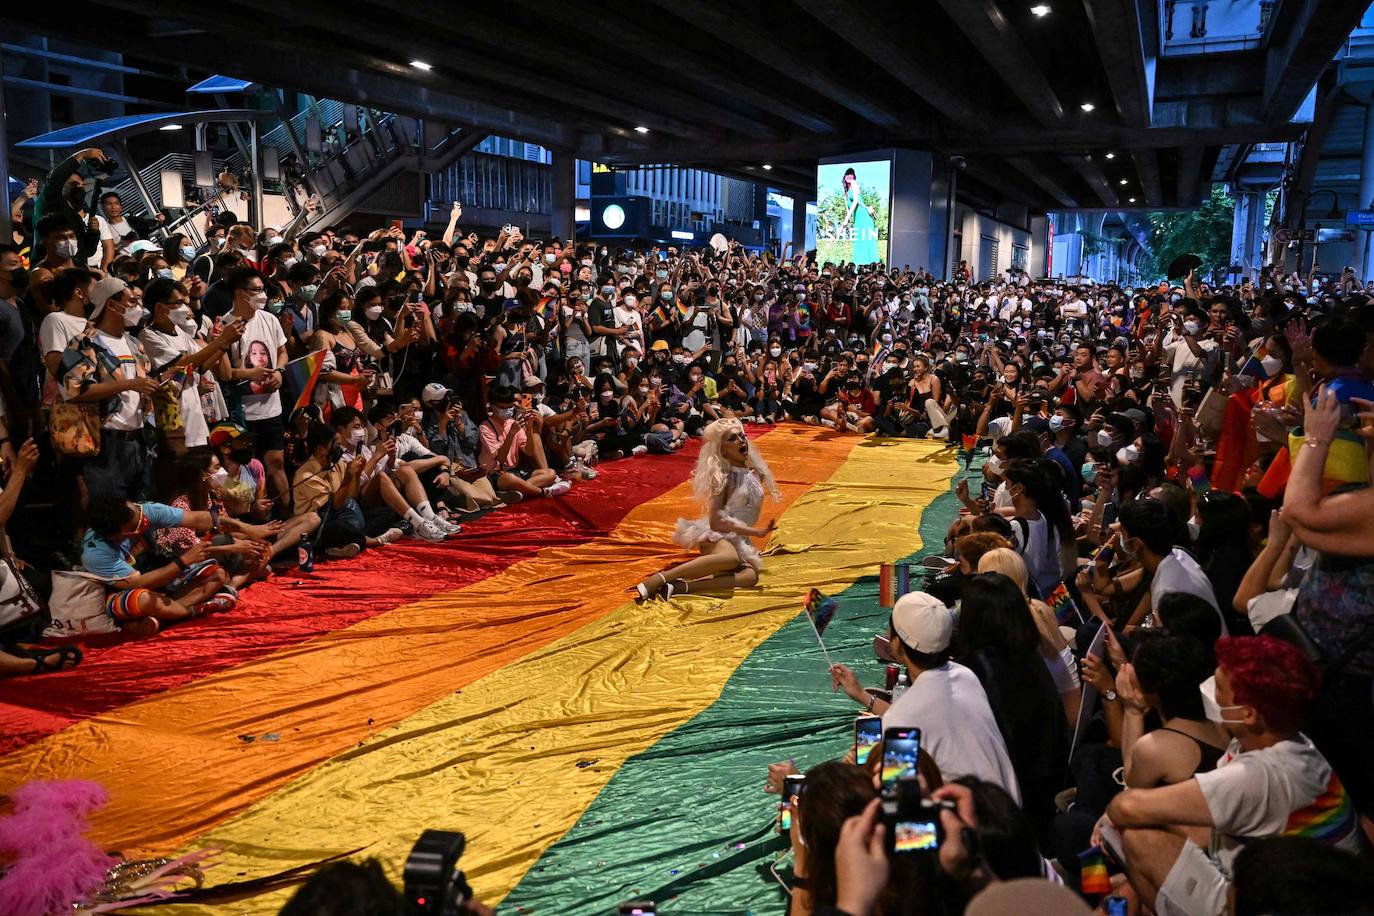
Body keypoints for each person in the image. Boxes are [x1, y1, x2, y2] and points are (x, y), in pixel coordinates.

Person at [1104, 636, 1360, 916]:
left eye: (1220, 688)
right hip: (1286, 879)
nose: (1211, 692)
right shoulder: (1288, 742)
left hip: (1278, 903)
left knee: (1137, 839)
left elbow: (1124, 807)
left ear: (1248, 714)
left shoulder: (1258, 776)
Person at [829, 591, 1021, 803]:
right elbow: (921, 712)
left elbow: (895, 796)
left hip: (975, 824)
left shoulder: (903, 720)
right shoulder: (965, 675)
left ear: (898, 645)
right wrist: (861, 694)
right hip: (1009, 811)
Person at [631, 417, 779, 599]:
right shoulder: (725, 479)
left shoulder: (756, 475)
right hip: (718, 536)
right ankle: (660, 578)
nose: (741, 441)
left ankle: (681, 588)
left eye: (742, 436)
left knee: (750, 577)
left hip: (740, 541)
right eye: (732, 438)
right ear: (722, 449)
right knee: (730, 558)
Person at [58, 276, 158, 502]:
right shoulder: (85, 343)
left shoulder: (133, 343)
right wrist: (129, 384)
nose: (138, 308)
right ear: (112, 305)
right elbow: (74, 391)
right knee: (111, 513)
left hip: (138, 439)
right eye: (131, 302)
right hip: (106, 442)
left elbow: (143, 383)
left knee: (142, 509)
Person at [81, 494, 241, 635]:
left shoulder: (143, 510)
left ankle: (162, 617)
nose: (143, 519)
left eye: (138, 511)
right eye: (137, 524)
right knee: (143, 599)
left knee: (216, 574)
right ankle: (198, 609)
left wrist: (247, 528)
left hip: (158, 575)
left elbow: (198, 519)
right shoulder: (96, 554)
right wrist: (184, 561)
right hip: (118, 593)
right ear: (116, 535)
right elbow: (138, 583)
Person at [217, 266, 289, 499]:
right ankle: (252, 516)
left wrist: (278, 371)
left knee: (276, 461)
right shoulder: (225, 326)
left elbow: (282, 352)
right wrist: (250, 374)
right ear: (240, 293)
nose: (263, 295)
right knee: (245, 467)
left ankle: (287, 509)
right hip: (243, 411)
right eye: (257, 290)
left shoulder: (269, 319)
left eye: (263, 289)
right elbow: (224, 373)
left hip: (271, 406)